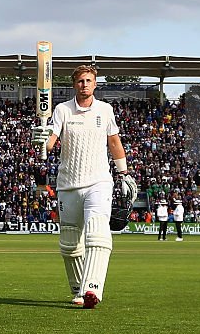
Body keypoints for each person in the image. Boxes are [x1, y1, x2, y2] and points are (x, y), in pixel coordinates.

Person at [32, 65, 136, 309]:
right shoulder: (62, 110)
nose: (85, 85)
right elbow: (49, 145)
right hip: (68, 184)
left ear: (95, 84)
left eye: (89, 80)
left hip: (99, 181)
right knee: (70, 244)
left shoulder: (105, 110)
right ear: (74, 85)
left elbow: (114, 141)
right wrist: (40, 139)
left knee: (97, 232)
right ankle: (79, 289)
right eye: (80, 81)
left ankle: (93, 288)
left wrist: (124, 173)